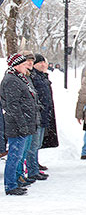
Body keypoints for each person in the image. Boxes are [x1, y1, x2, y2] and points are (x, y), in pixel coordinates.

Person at [2, 53, 40, 195]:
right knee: (14, 156)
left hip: (24, 122)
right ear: (16, 65)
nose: (26, 67)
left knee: (18, 155)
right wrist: (22, 124)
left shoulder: (19, 78)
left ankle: (16, 181)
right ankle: (10, 185)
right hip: (16, 125)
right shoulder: (11, 80)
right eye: (24, 64)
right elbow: (13, 105)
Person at [25, 54, 53, 182]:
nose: (43, 65)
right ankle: (32, 170)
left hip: (43, 114)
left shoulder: (42, 76)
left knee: (38, 144)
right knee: (33, 145)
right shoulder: (33, 77)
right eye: (39, 62)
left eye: (44, 62)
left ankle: (34, 167)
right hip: (37, 115)